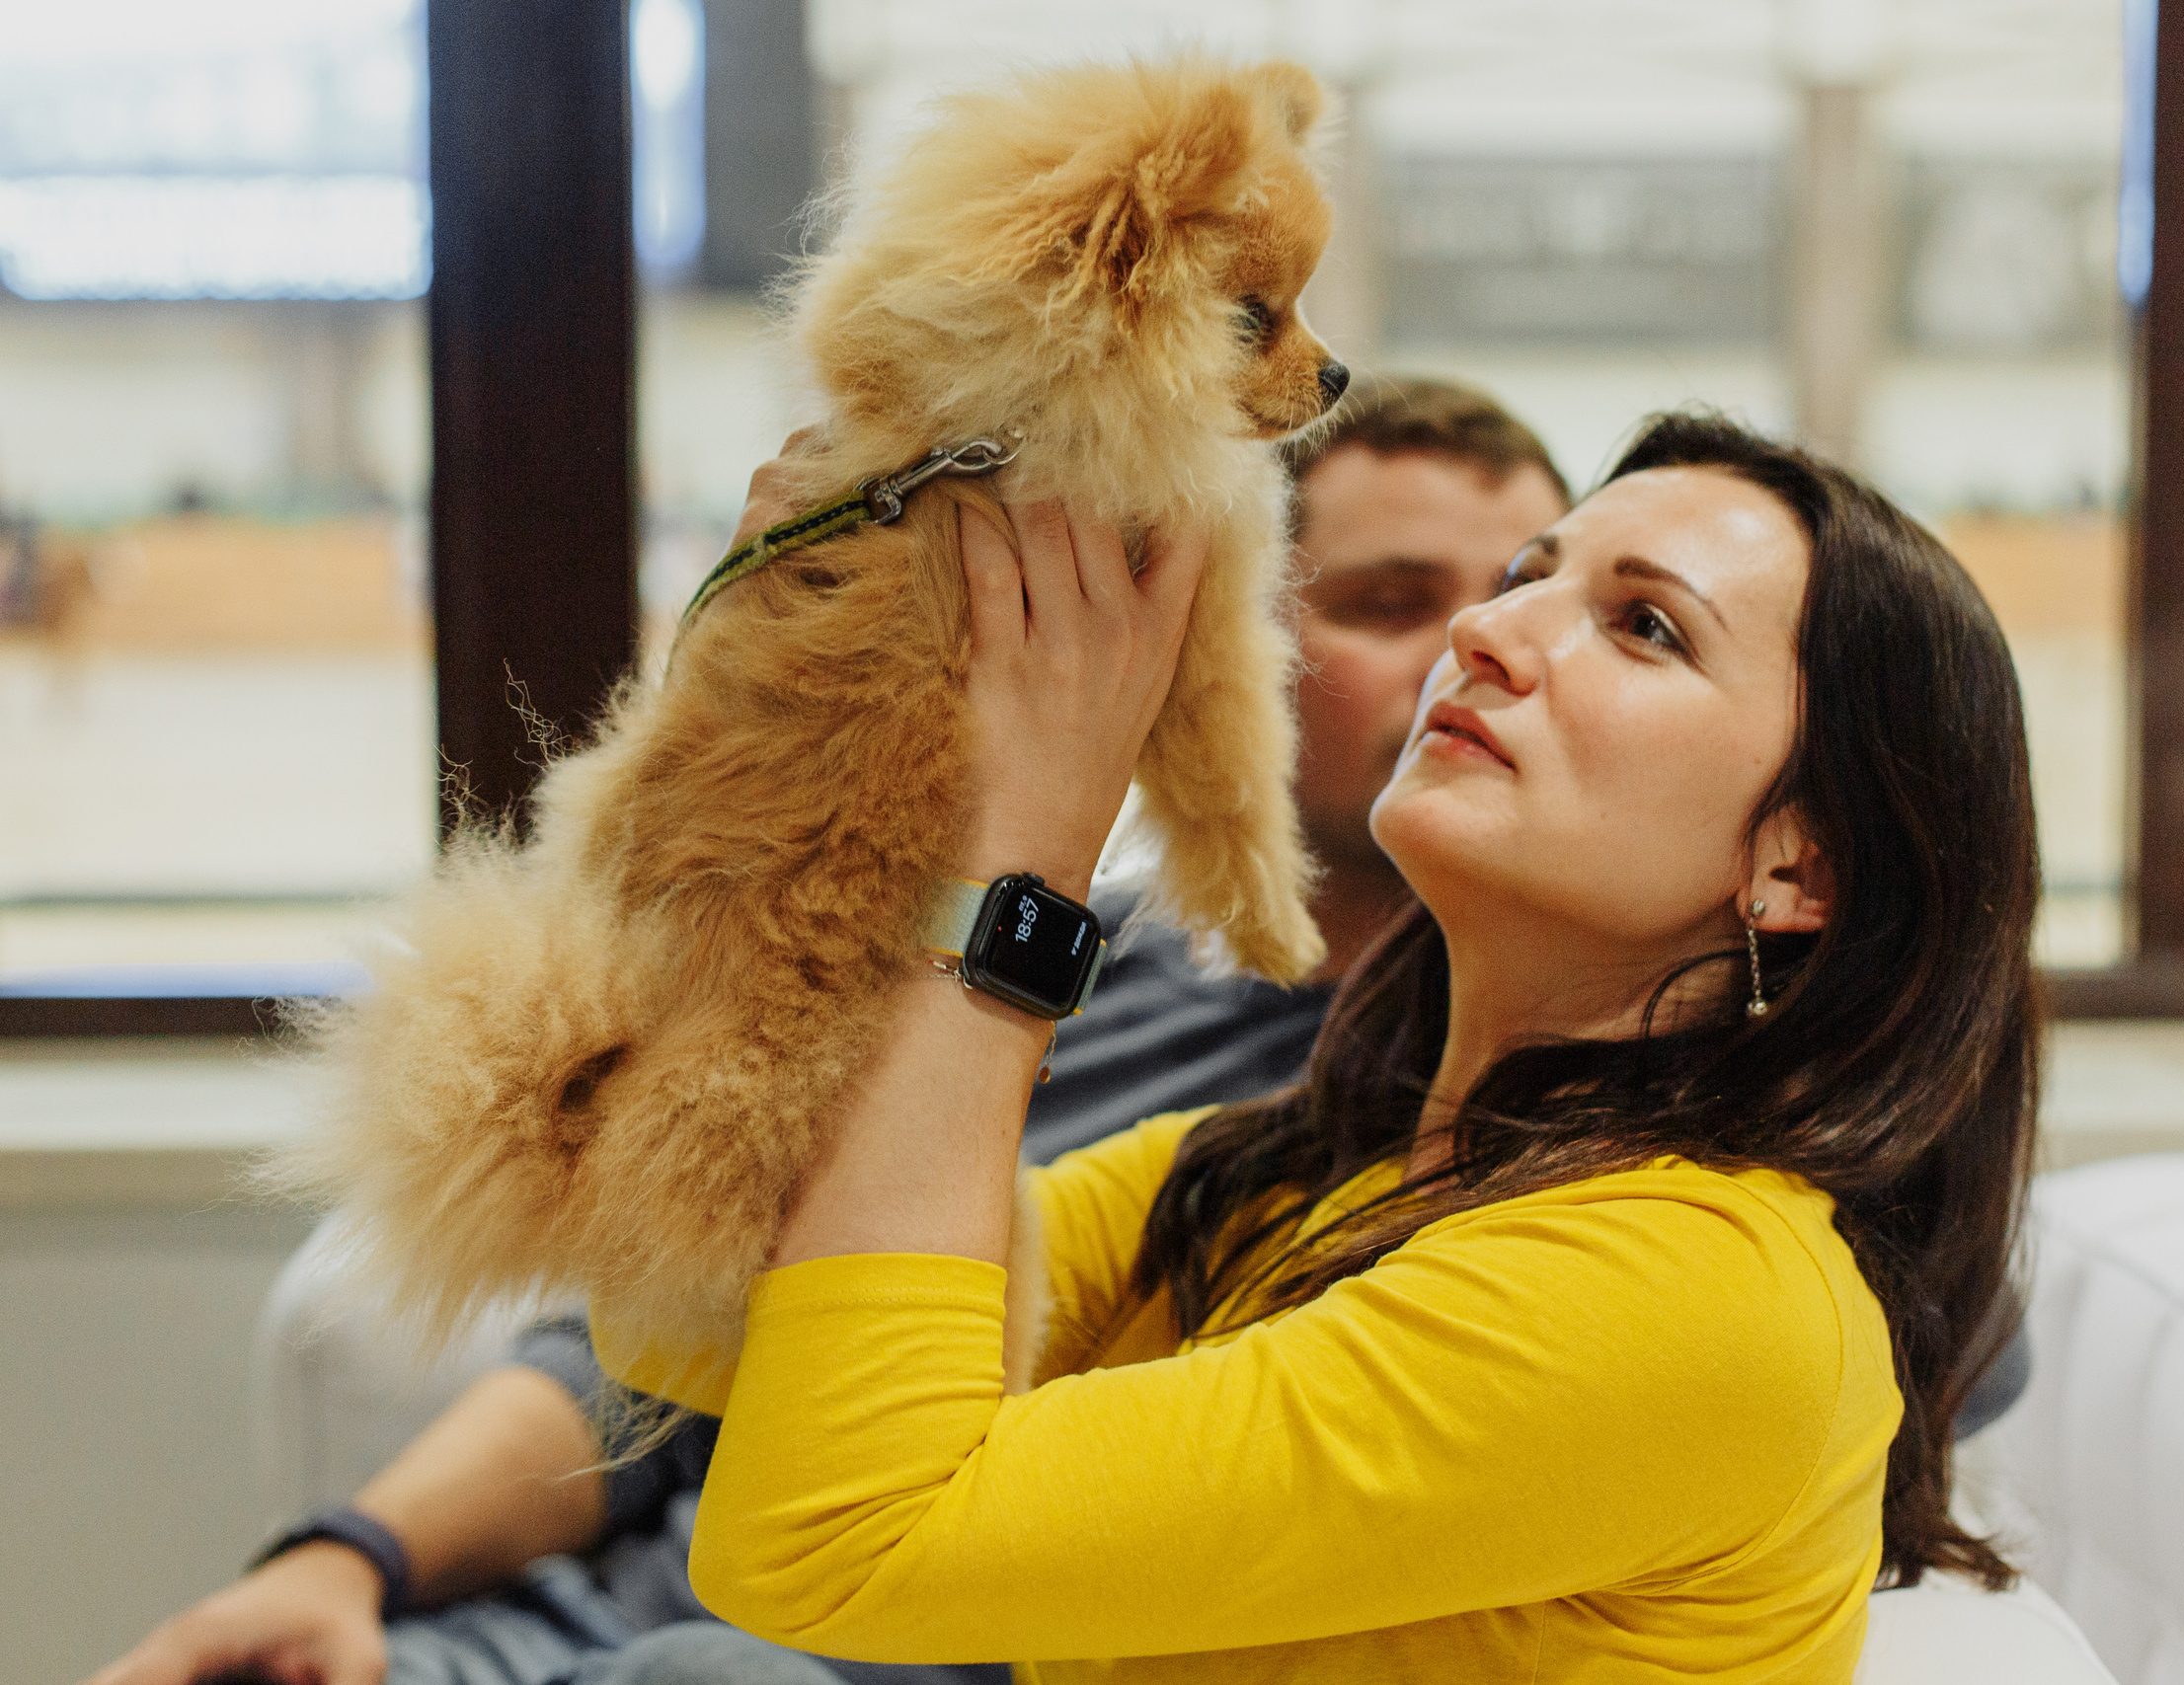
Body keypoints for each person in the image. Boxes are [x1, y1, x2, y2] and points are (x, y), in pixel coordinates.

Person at [83, 377, 1574, 1685]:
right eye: (1389, 602)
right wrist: (345, 1563)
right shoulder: (1064, 956)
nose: (1471, 650)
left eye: (1516, 598)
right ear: (1237, 651)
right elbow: (661, 1332)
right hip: (583, 1622)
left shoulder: (1504, 1110)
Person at [596, 409, 2042, 1680]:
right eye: (1535, 575)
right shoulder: (1314, 1164)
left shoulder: (1703, 1292)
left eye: (1644, 626)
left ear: (1803, 869)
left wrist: (1028, 856)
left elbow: (830, 1543)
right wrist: (787, 717)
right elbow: (679, 1314)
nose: (1491, 628)